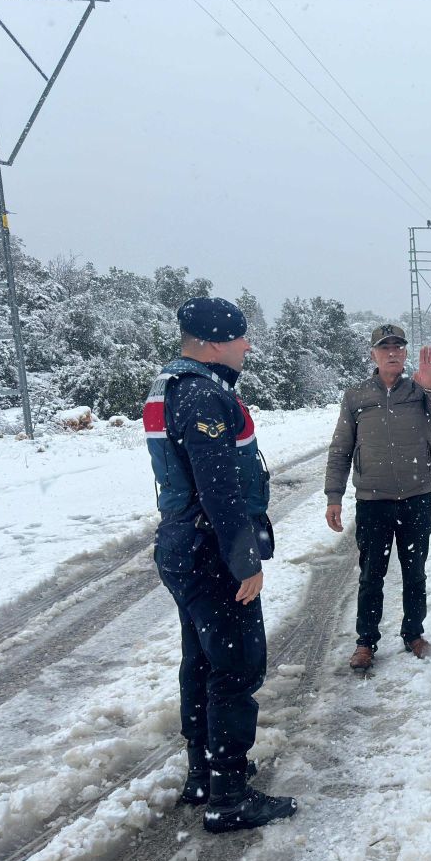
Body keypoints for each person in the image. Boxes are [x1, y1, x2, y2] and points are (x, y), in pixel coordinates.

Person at [144, 296, 296, 833]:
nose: (247, 346)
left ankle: (203, 772)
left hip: (183, 546)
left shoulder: (171, 386)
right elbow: (219, 489)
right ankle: (228, 795)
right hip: (210, 552)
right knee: (235, 666)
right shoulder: (203, 396)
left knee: (203, 660)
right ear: (211, 342)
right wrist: (244, 559)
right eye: (239, 337)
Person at [325, 323, 431, 669]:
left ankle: (413, 634)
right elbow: (341, 449)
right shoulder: (356, 396)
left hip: (416, 498)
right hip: (373, 501)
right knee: (372, 575)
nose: (393, 352)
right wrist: (333, 495)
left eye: (398, 347)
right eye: (385, 347)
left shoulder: (419, 390)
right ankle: (366, 642)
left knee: (415, 572)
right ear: (373, 354)